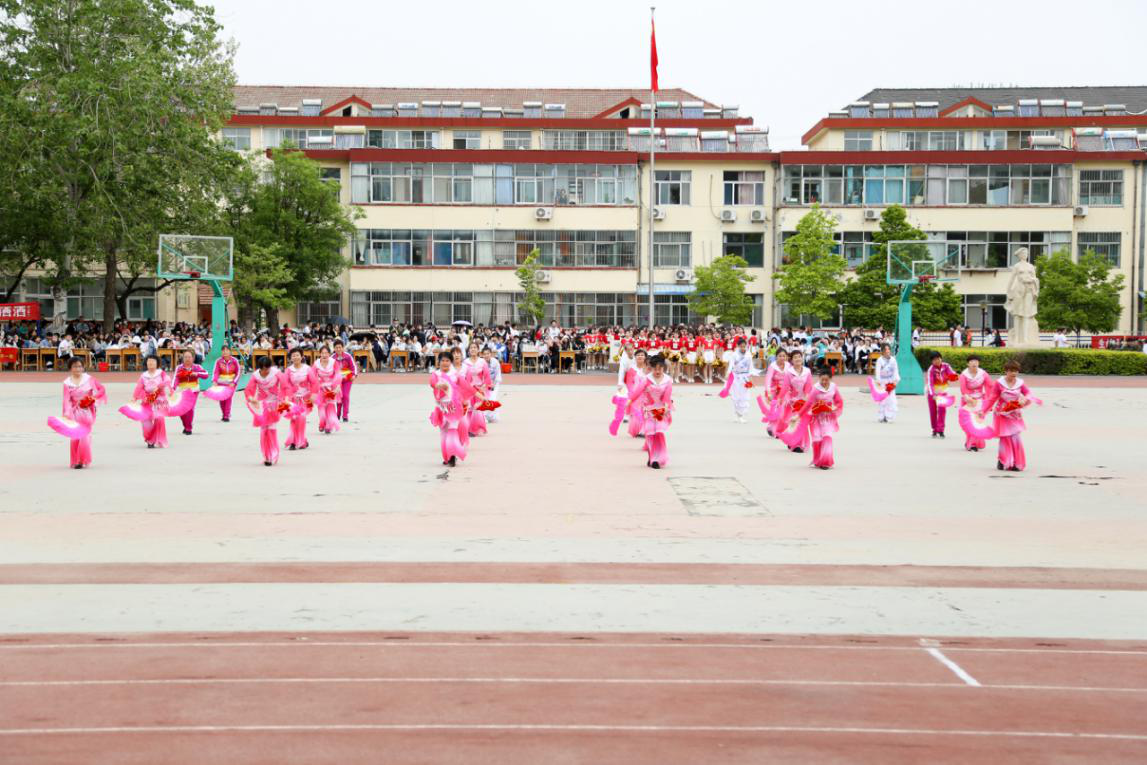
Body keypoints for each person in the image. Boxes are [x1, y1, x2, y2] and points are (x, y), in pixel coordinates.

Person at [980, 360, 1042, 472]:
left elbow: (1028, 393)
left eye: (1016, 371)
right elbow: (992, 398)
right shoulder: (999, 383)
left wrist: (1024, 399)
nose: (1014, 373)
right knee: (1005, 438)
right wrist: (983, 411)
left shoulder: (1020, 383)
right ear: (1006, 371)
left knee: (1016, 438)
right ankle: (1003, 461)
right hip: (1002, 413)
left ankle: (1018, 463)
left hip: (1014, 413)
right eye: (1012, 371)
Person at [49, 357, 108, 469]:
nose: (78, 369)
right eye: (75, 366)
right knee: (74, 437)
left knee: (84, 436)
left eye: (80, 366)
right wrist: (66, 413)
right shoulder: (67, 383)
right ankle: (76, 461)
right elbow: (66, 399)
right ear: (70, 368)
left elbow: (102, 389)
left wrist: (92, 398)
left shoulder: (89, 379)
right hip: (73, 412)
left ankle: (82, 460)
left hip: (87, 411)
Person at [630, 355, 673, 469]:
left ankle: (658, 459)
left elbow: (667, 397)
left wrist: (666, 407)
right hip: (648, 410)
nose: (657, 371)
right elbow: (638, 391)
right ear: (651, 368)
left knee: (659, 433)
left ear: (663, 368)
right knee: (650, 435)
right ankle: (652, 457)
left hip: (660, 410)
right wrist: (629, 401)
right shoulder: (646, 379)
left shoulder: (668, 380)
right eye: (655, 369)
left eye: (660, 368)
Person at [429, 350, 470, 467]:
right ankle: (446, 456)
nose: (445, 363)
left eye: (447, 360)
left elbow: (465, 387)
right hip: (441, 408)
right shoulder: (435, 374)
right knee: (443, 432)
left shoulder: (456, 375)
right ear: (439, 362)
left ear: (451, 362)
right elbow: (432, 383)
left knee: (453, 429)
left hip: (454, 407)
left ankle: (452, 455)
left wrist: (466, 399)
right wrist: (438, 385)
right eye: (442, 360)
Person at [246, 355, 287, 466]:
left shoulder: (276, 373)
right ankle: (266, 456)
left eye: (267, 369)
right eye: (263, 369)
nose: (265, 371)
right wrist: (251, 398)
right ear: (259, 367)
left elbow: (285, 386)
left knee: (271, 429)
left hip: (274, 404)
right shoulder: (255, 376)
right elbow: (249, 389)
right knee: (264, 430)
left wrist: (285, 398)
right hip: (262, 405)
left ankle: (273, 454)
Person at [777, 350, 813, 453]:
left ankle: (799, 443)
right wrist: (781, 398)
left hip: (804, 401)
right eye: (795, 357)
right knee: (795, 422)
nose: (798, 359)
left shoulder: (807, 371)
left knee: (802, 423)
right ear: (792, 360)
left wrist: (807, 397)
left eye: (799, 357)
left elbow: (809, 386)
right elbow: (785, 387)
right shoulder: (789, 372)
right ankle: (795, 444)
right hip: (792, 402)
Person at [132, 355, 171, 449]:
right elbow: (139, 387)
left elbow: (167, 380)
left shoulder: (161, 373)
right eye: (149, 361)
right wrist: (134, 397)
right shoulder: (143, 376)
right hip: (147, 400)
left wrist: (159, 386)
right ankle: (150, 440)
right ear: (146, 363)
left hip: (159, 400)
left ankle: (159, 438)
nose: (151, 363)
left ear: (157, 363)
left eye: (153, 361)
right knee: (146, 421)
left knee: (159, 418)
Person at [807, 370, 844, 470]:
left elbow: (839, 401)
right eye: (822, 380)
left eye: (826, 380)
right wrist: (798, 416)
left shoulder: (833, 387)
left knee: (827, 437)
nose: (824, 382)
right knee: (817, 440)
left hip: (828, 417)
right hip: (816, 418)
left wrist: (835, 408)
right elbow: (808, 404)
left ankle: (825, 462)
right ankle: (817, 460)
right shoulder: (815, 389)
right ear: (819, 378)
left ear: (830, 379)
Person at [957, 354, 994, 452]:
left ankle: (973, 443)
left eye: (976, 361)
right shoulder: (964, 375)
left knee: (978, 423)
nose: (974, 363)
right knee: (970, 424)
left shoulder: (983, 374)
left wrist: (990, 400)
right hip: (968, 401)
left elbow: (990, 385)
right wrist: (968, 398)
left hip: (980, 401)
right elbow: (963, 389)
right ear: (968, 364)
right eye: (972, 361)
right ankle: (971, 443)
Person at [718, 338, 760, 423]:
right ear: (738, 346)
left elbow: (750, 368)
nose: (743, 348)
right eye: (741, 346)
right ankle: (737, 414)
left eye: (744, 346)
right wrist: (727, 374)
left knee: (744, 397)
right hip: (736, 377)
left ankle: (741, 415)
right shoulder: (734, 355)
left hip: (745, 378)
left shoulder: (748, 355)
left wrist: (751, 379)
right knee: (736, 397)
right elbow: (731, 365)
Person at [282, 348, 315, 450]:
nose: (295, 357)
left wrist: (313, 395)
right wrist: (286, 398)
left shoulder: (307, 369)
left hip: (305, 399)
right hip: (293, 399)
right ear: (290, 358)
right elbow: (284, 385)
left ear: (302, 357)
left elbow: (314, 383)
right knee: (294, 419)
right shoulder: (288, 370)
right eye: (293, 356)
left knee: (301, 419)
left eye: (297, 355)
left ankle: (301, 440)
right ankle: (294, 442)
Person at [172, 350, 207, 435]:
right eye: (185, 357)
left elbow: (206, 374)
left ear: (193, 358)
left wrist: (196, 374)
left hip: (193, 390)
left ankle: (188, 428)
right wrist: (172, 389)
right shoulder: (179, 367)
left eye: (189, 357)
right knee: (181, 410)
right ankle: (186, 425)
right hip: (182, 390)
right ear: (183, 358)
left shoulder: (197, 367)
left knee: (190, 408)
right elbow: (175, 379)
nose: (187, 359)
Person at [925, 351, 957, 438]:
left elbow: (953, 375)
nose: (937, 361)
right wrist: (933, 395)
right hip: (932, 393)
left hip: (943, 392)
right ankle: (934, 429)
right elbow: (930, 383)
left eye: (938, 358)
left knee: (942, 410)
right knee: (933, 411)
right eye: (934, 360)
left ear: (941, 358)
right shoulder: (931, 370)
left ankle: (941, 430)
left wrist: (952, 376)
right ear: (932, 361)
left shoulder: (946, 366)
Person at [313, 344, 342, 434]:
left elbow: (338, 374)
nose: (324, 355)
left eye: (326, 353)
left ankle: (328, 426)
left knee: (330, 407)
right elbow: (312, 376)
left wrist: (337, 387)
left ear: (329, 354)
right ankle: (322, 423)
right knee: (321, 407)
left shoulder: (334, 362)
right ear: (320, 354)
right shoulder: (316, 364)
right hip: (320, 388)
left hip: (331, 388)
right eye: (322, 353)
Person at [760, 348, 789, 437]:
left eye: (784, 356)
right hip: (774, 392)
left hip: (784, 392)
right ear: (776, 357)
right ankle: (774, 429)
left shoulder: (788, 365)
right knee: (776, 411)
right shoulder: (773, 366)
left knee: (783, 411)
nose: (782, 358)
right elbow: (768, 379)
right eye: (780, 356)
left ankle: (774, 428)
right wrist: (768, 392)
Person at [209, 345, 241, 422]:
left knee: (228, 398)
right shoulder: (218, 361)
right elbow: (215, 372)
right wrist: (214, 381)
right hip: (221, 383)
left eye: (227, 350)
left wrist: (234, 382)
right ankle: (224, 414)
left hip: (231, 384)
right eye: (223, 350)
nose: (225, 352)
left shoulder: (235, 361)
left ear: (230, 351)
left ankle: (226, 415)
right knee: (222, 400)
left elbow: (238, 372)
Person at [872, 343, 900, 423]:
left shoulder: (893, 360)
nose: (887, 351)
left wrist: (894, 381)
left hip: (890, 381)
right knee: (883, 400)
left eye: (888, 349)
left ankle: (889, 416)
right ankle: (882, 416)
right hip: (882, 382)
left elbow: (896, 371)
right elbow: (877, 372)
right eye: (885, 349)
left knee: (891, 399)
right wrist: (879, 382)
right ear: (882, 351)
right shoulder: (880, 360)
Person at [481, 347, 502, 424]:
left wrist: (494, 384)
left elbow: (498, 374)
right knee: (485, 400)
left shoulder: (495, 362)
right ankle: (484, 417)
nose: (486, 355)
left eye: (488, 353)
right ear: (482, 355)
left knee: (493, 399)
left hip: (494, 384)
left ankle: (492, 417)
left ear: (491, 354)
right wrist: (485, 385)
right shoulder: (481, 363)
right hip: (484, 385)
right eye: (485, 354)